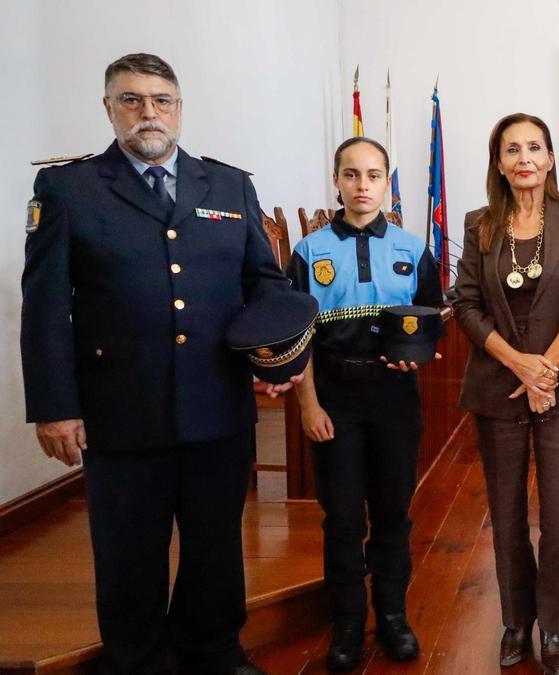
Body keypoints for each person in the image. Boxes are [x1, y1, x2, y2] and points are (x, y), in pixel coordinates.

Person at [19, 52, 293, 674]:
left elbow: (265, 283)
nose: (149, 113)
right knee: (129, 551)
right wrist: (55, 407)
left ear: (179, 108)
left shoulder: (228, 185)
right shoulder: (69, 189)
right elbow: (46, 307)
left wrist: (281, 353)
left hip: (217, 405)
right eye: (132, 99)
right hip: (121, 409)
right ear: (109, 108)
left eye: (161, 100)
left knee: (215, 544)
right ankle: (138, 660)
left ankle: (214, 650)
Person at [452, 112, 559, 675]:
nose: (524, 159)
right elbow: (466, 304)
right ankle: (516, 619)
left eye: (534, 147)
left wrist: (546, 370)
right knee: (508, 513)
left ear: (549, 159)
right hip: (499, 385)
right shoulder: (479, 223)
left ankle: (554, 626)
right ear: (498, 163)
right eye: (512, 149)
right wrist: (519, 365)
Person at [288, 137, 443, 671]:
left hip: (393, 399)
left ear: (386, 184)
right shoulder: (310, 252)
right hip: (334, 398)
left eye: (374, 175)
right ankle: (348, 624)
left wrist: (415, 357)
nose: (362, 185)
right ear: (336, 180)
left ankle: (393, 617)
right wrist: (309, 405)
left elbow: (430, 322)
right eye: (351, 174)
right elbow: (297, 338)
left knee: (393, 512)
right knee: (343, 518)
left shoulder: (411, 249)